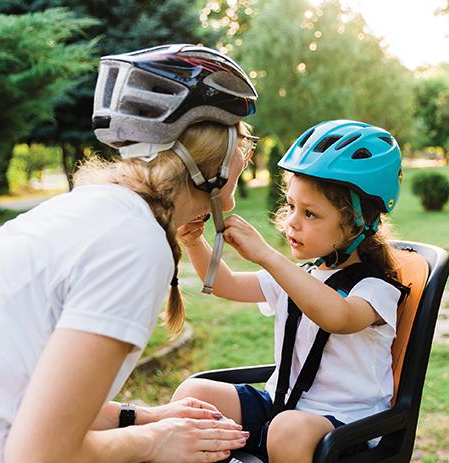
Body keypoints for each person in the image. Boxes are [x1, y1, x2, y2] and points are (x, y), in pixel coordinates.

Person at [0, 44, 259, 463]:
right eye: (243, 142)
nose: (246, 155)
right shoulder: (134, 245)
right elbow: (37, 455)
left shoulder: (95, 209)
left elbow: (34, 391)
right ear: (216, 161)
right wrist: (156, 441)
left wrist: (142, 418)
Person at [172, 120, 410, 463]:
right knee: (192, 396)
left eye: (310, 213)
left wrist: (268, 256)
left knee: (287, 429)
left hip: (344, 427)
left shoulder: (375, 291)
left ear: (359, 223)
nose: (292, 222)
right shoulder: (302, 275)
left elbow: (336, 316)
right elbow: (225, 284)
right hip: (281, 406)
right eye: (292, 206)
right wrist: (194, 241)